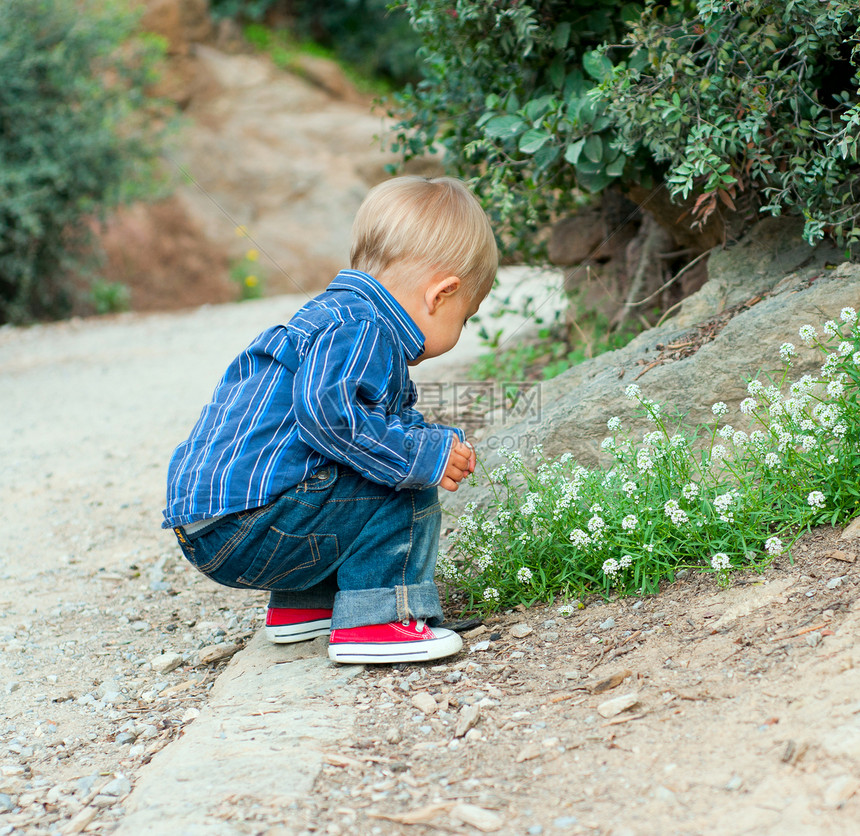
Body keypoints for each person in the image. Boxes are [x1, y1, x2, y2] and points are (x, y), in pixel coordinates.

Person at [162, 176, 498, 664]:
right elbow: (330, 418)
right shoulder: (365, 328)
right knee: (402, 479)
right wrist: (423, 456)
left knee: (358, 463)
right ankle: (380, 620)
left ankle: (305, 606)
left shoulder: (335, 315)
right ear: (441, 295)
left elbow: (342, 428)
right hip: (249, 523)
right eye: (465, 316)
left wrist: (423, 439)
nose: (461, 329)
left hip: (211, 522)